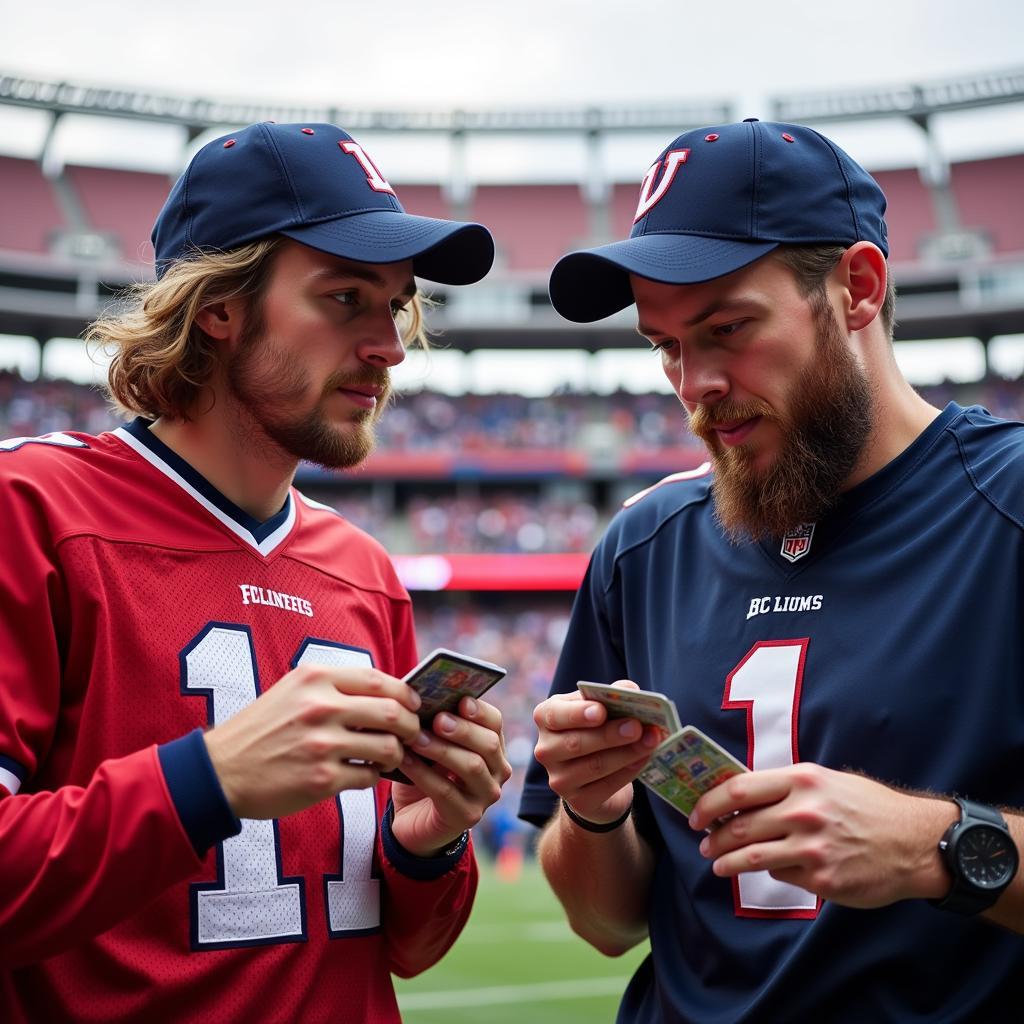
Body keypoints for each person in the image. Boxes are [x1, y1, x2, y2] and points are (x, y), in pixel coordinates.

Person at [0, 121, 511, 1023]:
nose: (390, 348)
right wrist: (209, 780)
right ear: (219, 307)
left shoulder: (365, 572)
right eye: (346, 297)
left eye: (394, 306)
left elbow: (403, 947)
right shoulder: (32, 508)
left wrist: (427, 843)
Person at [519, 117, 1024, 1021]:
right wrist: (592, 808)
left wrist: (938, 847)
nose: (694, 382)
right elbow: (604, 923)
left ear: (857, 289)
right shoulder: (643, 547)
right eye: (667, 344)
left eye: (727, 327)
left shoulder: (1009, 507)